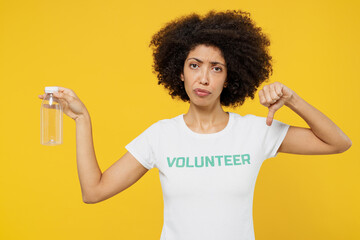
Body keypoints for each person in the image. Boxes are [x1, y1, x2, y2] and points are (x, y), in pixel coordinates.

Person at [38, 10, 351, 240]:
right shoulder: (160, 136)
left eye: (216, 68)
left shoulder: (256, 131)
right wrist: (82, 119)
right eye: (194, 65)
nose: (204, 78)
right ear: (180, 73)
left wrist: (293, 100)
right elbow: (93, 191)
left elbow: (338, 142)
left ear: (230, 78)